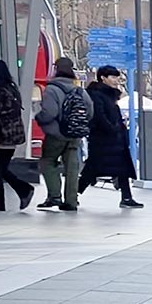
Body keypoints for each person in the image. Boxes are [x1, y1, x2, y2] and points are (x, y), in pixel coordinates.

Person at [78, 65, 143, 208]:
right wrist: (112, 129)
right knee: (93, 168)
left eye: (117, 78)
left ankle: (126, 197)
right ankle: (75, 192)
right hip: (103, 139)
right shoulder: (96, 94)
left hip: (115, 140)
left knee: (122, 168)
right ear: (103, 78)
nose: (116, 81)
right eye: (113, 77)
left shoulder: (110, 95)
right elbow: (99, 116)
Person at [35, 57, 93, 211]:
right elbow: (90, 110)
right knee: (72, 168)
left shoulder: (52, 89)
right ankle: (71, 201)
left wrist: (39, 118)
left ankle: (54, 196)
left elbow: (49, 112)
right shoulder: (79, 90)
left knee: (48, 161)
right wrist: (78, 124)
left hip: (56, 134)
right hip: (74, 135)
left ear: (56, 69)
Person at [0, 60, 34, 212]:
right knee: (2, 169)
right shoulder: (12, 89)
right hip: (13, 136)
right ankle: (19, 193)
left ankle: (15, 194)